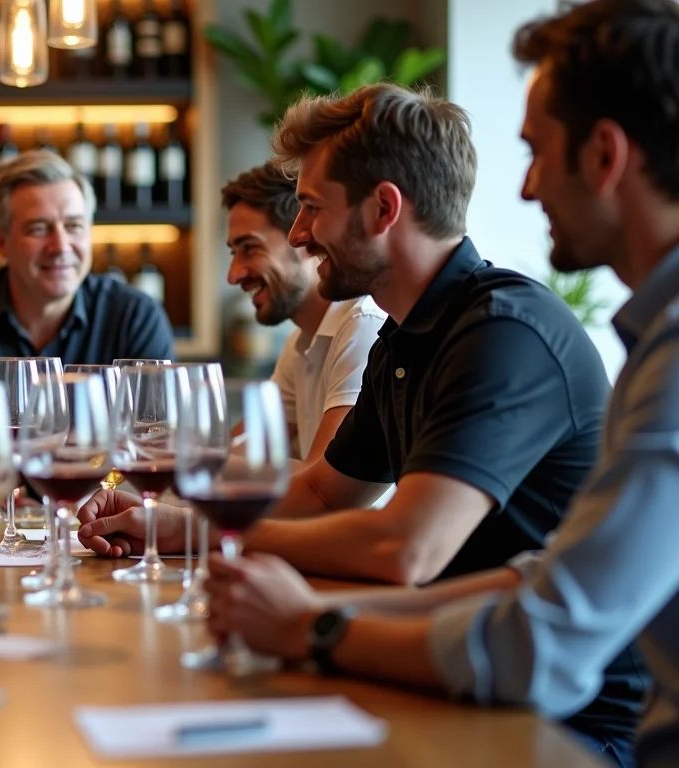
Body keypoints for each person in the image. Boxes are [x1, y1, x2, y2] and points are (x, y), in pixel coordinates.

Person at [77, 80, 646, 751]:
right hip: (441, 668)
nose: (298, 232)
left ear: (383, 209)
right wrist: (174, 525)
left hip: (561, 722)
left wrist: (219, 540)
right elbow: (321, 490)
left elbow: (404, 548)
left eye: (312, 207)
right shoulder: (406, 335)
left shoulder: (505, 333)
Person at [203, 2, 679, 764]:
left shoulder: (509, 334)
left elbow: (427, 564)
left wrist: (307, 621)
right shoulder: (410, 330)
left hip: (574, 736)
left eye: (536, 152)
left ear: (604, 155)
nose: (524, 189)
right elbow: (524, 579)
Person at [0, 150, 174, 371]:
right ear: (1, 241)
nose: (60, 246)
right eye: (39, 229)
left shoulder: (135, 316)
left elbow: (158, 432)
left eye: (74, 226)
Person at [223, 162, 387, 468]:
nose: (233, 275)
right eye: (234, 252)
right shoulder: (300, 343)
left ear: (303, 239)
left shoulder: (364, 324)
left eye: (250, 248)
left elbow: (322, 489)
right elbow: (235, 454)